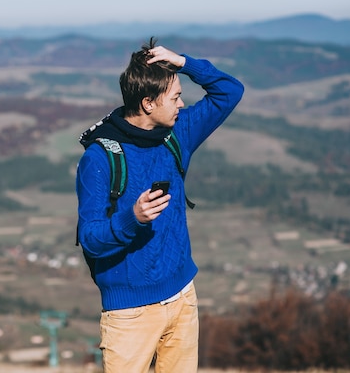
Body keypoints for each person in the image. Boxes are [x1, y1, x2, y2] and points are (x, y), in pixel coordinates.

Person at [75, 37, 244, 372]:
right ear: (149, 103)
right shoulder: (100, 159)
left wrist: (183, 62)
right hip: (130, 312)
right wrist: (131, 218)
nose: (182, 105)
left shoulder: (177, 133)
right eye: (176, 97)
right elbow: (90, 239)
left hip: (182, 296)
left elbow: (230, 91)